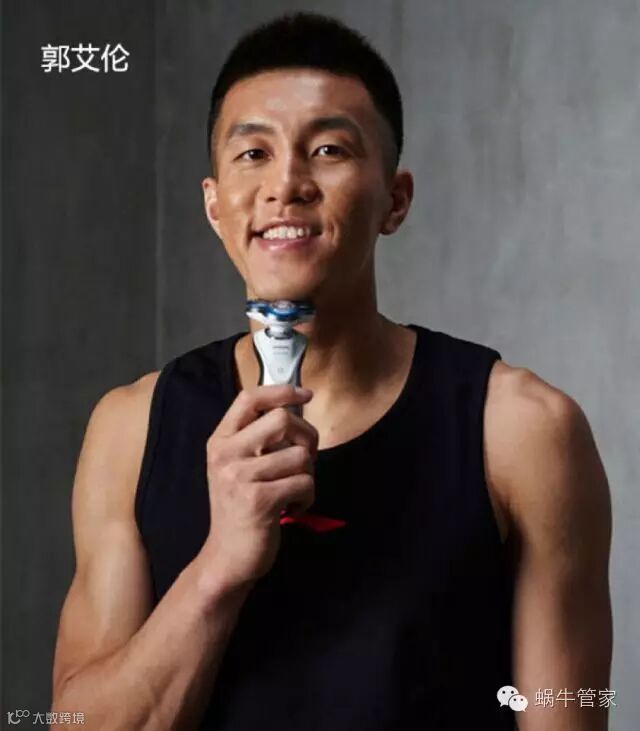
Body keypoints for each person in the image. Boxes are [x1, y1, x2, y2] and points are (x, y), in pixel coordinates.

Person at [50, 11, 612, 731]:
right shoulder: (130, 430)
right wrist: (219, 566)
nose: (286, 183)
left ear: (394, 200)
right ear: (215, 206)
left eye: (328, 149)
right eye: (253, 153)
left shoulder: (523, 431)